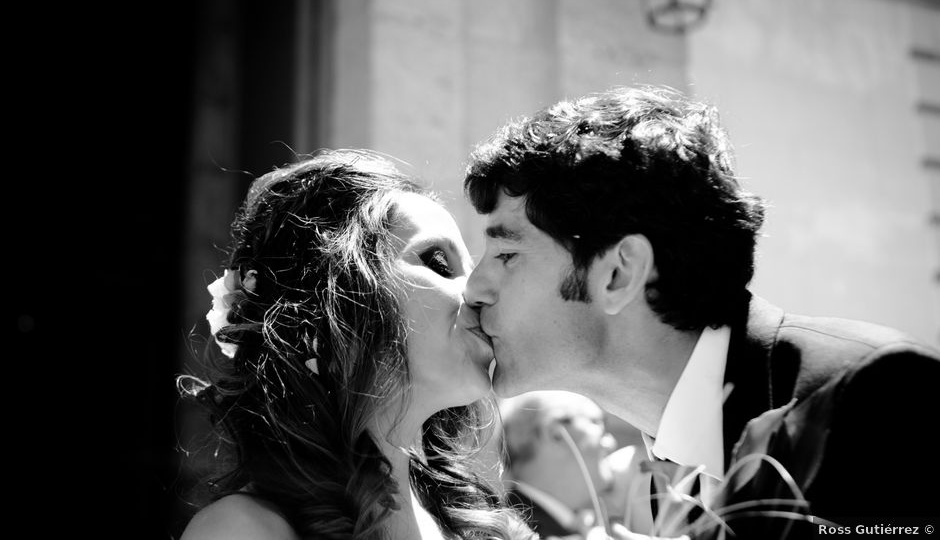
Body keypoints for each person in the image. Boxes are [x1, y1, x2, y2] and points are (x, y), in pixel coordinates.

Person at [461, 85, 940, 537]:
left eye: (506, 256)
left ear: (619, 273)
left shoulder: (871, 396)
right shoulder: (665, 483)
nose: (474, 289)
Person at [178, 149, 532, 540]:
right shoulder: (242, 530)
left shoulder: (486, 527)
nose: (479, 290)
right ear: (338, 300)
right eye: (438, 262)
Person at [500, 391, 651, 539]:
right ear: (555, 435)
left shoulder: (512, 524)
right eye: (597, 423)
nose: (611, 443)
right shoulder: (510, 533)